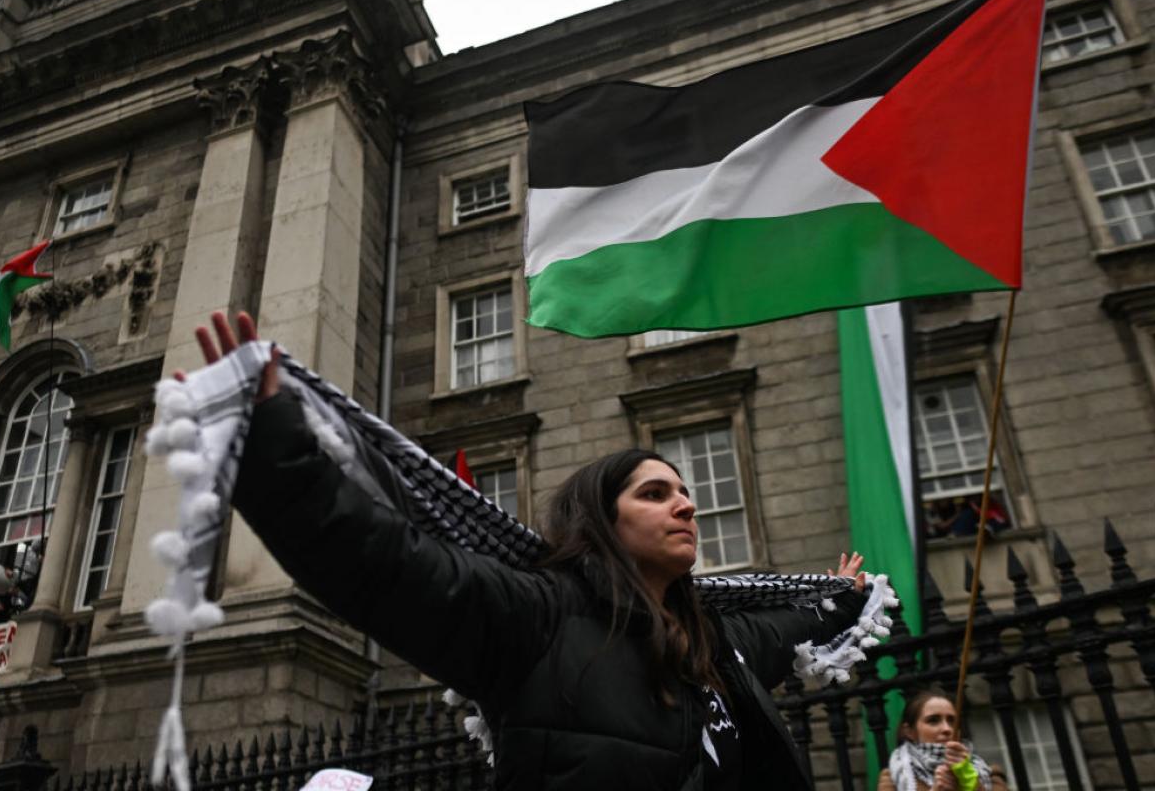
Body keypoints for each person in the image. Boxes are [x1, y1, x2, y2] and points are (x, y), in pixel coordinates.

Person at [188, 312, 871, 791]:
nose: (686, 504)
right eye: (656, 493)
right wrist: (275, 445)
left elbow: (796, 625)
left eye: (685, 492)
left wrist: (840, 597)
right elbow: (382, 563)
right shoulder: (538, 619)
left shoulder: (716, 640)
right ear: (604, 523)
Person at [880, 690, 1009, 791]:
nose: (947, 729)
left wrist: (970, 782)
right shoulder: (892, 777)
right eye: (933, 720)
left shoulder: (990, 773)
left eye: (952, 721)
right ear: (909, 732)